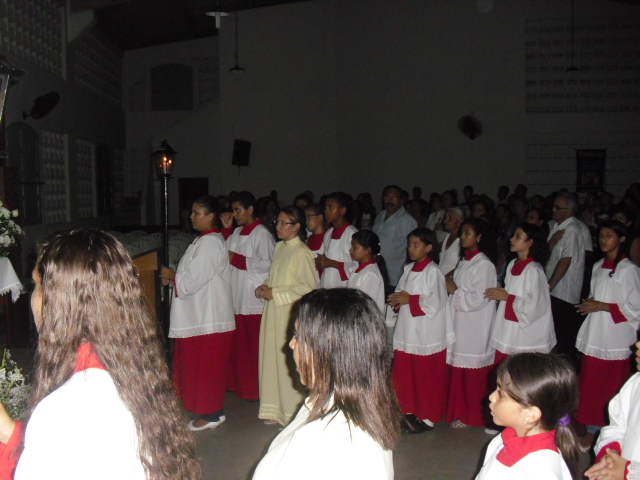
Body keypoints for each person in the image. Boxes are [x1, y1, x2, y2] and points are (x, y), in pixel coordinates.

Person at [0, 229, 200, 479]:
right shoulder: (129, 370)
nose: (33, 299)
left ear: (58, 303)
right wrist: (8, 431)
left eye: (36, 287)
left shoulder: (66, 409)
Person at [252, 288, 401, 480]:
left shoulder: (336, 443)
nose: (291, 344)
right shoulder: (340, 404)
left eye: (299, 337)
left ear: (330, 351)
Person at [162, 195, 235, 431]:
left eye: (197, 213)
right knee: (199, 367)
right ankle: (208, 411)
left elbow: (193, 280)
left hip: (209, 317)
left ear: (211, 215)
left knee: (208, 369)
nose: (191, 217)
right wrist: (174, 279)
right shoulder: (202, 240)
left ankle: (212, 414)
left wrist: (173, 276)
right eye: (192, 212)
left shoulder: (210, 243)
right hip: (199, 314)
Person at [574, 221, 640, 436]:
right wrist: (591, 304)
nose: (603, 239)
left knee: (610, 383)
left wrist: (602, 306)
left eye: (609, 235)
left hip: (616, 335)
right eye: (601, 235)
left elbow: (635, 307)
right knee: (591, 382)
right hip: (596, 331)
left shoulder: (629, 270)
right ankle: (590, 425)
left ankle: (607, 428)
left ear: (622, 239)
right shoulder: (598, 266)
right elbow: (597, 296)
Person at [255, 206, 319, 425]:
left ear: (297, 227)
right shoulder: (280, 247)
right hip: (273, 312)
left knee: (287, 364)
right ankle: (275, 409)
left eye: (285, 223)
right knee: (272, 360)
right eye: (278, 222)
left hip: (289, 313)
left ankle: (292, 413)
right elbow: (276, 278)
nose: (279, 227)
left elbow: (309, 287)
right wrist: (265, 287)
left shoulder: (302, 252)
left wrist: (276, 293)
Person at [476, 353, 580, 480]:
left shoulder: (542, 471)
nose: (491, 397)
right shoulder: (507, 437)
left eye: (501, 394)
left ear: (530, 414)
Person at [389, 228, 449, 433]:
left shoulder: (433, 271)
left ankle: (427, 417)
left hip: (425, 332)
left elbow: (436, 301)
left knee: (425, 376)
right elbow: (400, 291)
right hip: (407, 329)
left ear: (429, 248)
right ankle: (407, 411)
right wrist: (397, 299)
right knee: (405, 374)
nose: (411, 249)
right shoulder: (408, 269)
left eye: (416, 245)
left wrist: (410, 299)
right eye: (410, 245)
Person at [445, 217, 498, 429]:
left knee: (472, 373)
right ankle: (459, 411)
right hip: (461, 321)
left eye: (467, 233)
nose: (462, 237)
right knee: (459, 370)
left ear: (479, 237)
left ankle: (473, 415)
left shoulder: (484, 265)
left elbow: (479, 298)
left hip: (475, 324)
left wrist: (455, 291)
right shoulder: (465, 261)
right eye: (462, 233)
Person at [226, 191, 275, 401]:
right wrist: (226, 230)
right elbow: (223, 254)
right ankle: (237, 385)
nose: (235, 214)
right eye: (233, 210)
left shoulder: (261, 233)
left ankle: (254, 390)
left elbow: (268, 264)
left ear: (250, 209)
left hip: (252, 299)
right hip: (236, 295)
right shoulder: (236, 232)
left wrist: (237, 259)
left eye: (238, 210)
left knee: (252, 347)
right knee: (238, 347)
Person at [486, 223, 555, 362]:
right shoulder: (512, 264)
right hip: (508, 325)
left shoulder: (534, 270)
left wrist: (508, 298)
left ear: (530, 243)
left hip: (524, 329)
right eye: (513, 236)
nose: (511, 239)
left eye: (518, 237)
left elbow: (537, 305)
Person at [585, 341, 640, 480]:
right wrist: (610, 454)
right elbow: (618, 425)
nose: (638, 344)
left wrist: (629, 472)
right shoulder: (636, 383)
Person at [546, 192, 586, 365]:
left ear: (569, 211)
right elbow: (548, 252)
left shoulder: (572, 229)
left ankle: (568, 372)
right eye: (554, 206)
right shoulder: (556, 226)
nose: (554, 210)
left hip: (564, 291)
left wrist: (550, 286)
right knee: (554, 335)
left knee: (564, 339)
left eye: (558, 207)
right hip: (554, 289)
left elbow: (566, 260)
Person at [372, 185, 418, 287]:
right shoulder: (380, 215)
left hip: (394, 274)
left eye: (394, 197)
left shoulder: (406, 220)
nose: (389, 200)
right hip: (376, 270)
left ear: (401, 200)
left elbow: (414, 248)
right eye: (387, 197)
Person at [316, 192, 358, 289]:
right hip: (327, 283)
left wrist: (332, 263)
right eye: (326, 208)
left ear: (342, 210)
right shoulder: (328, 233)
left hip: (344, 287)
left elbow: (358, 265)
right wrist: (320, 261)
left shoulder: (352, 234)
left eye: (331, 207)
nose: (326, 211)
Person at [347, 229, 388, 312]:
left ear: (367, 250)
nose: (350, 250)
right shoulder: (361, 269)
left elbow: (365, 305)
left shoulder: (370, 274)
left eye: (354, 247)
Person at [438, 206, 465, 278]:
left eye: (450, 218)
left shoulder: (462, 240)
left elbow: (462, 265)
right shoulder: (447, 236)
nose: (446, 221)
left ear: (460, 222)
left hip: (452, 280)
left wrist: (446, 278)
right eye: (445, 217)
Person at [304, 203, 326, 276]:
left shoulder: (328, 237)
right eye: (305, 218)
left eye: (309, 217)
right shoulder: (308, 239)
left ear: (320, 217)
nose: (306, 221)